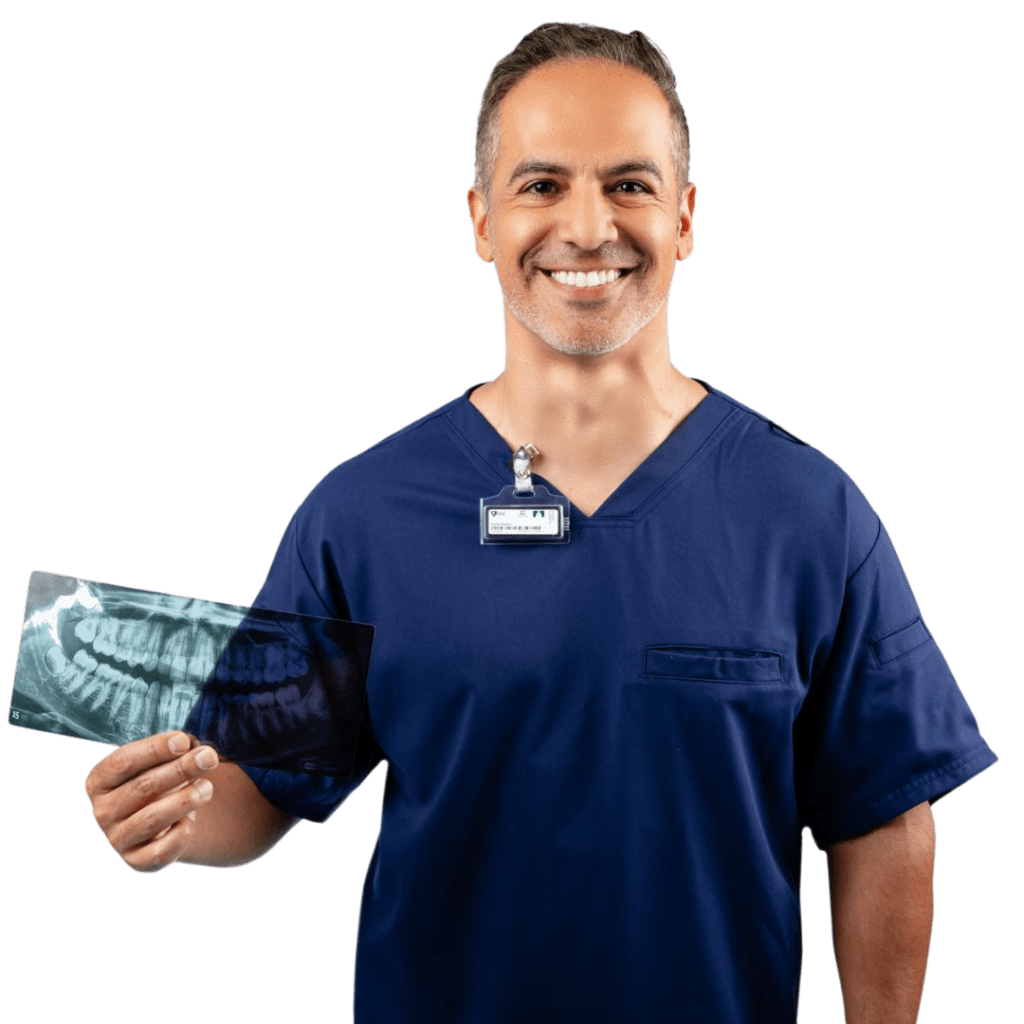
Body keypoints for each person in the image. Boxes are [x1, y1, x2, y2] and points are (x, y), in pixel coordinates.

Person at [83, 21, 996, 1024]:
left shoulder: (811, 517)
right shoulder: (363, 515)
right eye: (542, 184)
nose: (588, 225)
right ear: (481, 221)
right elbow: (259, 783)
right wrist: (172, 812)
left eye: (630, 184)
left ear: (685, 218)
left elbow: (883, 814)